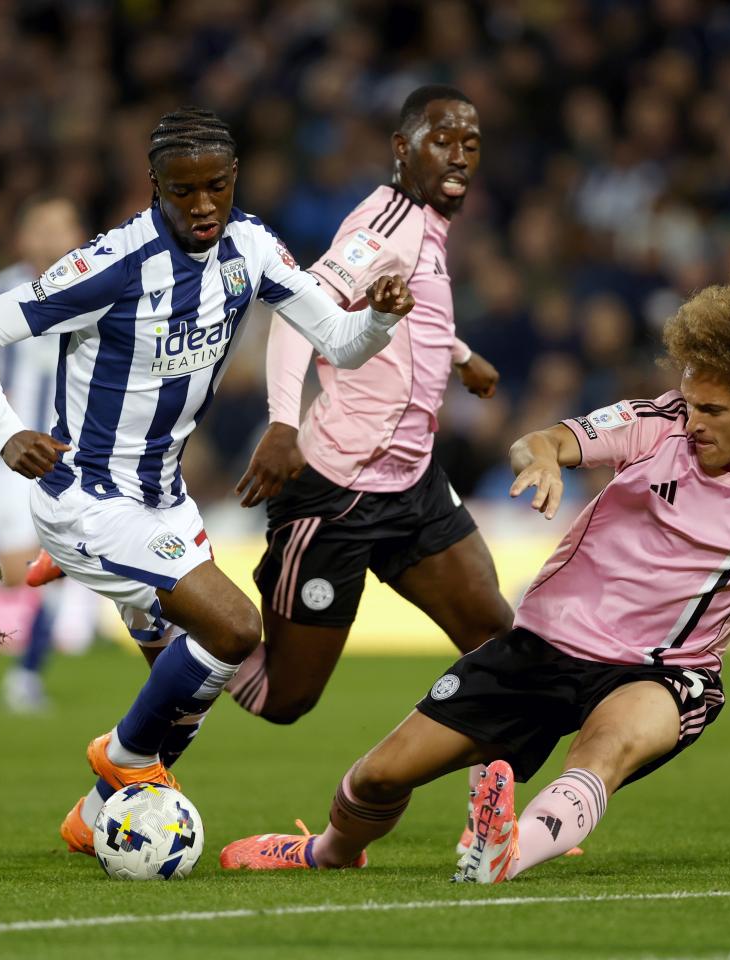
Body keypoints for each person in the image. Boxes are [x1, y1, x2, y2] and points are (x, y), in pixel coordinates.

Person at [219, 280, 730, 881]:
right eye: (691, 398)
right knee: (377, 776)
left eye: (713, 408)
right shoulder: (659, 423)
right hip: (539, 648)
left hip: (662, 674)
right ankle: (327, 852)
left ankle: (505, 852)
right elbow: (548, 440)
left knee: (603, 750)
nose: (694, 418)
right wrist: (539, 464)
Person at [0, 106, 414, 856]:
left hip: (163, 501)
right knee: (232, 628)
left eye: (216, 187)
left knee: (188, 689)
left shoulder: (252, 249)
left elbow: (344, 345)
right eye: (182, 190)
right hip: (88, 498)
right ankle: (124, 761)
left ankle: (97, 815)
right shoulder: (113, 263)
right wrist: (5, 433)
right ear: (152, 186)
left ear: (235, 181)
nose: (201, 206)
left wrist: (382, 320)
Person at [227, 84, 518, 854]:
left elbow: (406, 313)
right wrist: (283, 423)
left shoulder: (427, 225)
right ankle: (178, 629)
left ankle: (495, 820)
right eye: (441, 139)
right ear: (402, 148)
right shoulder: (382, 221)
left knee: (499, 639)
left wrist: (460, 356)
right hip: (336, 493)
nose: (459, 155)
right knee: (285, 698)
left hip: (414, 486)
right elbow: (303, 310)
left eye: (471, 142)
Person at [0, 193, 94, 713]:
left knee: (62, 567)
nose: (52, 237)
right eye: (41, 226)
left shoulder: (93, 289)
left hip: (70, 458)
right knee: (17, 570)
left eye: (63, 226)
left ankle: (26, 677)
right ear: (22, 237)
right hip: (7, 458)